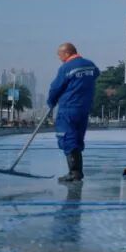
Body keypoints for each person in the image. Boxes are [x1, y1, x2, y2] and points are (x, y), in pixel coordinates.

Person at [46, 42, 100, 183]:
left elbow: (55, 87)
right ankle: (77, 171)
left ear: (67, 53)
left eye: (60, 55)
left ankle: (74, 172)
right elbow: (96, 74)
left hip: (68, 107)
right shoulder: (90, 65)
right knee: (77, 138)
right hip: (84, 108)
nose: (59, 58)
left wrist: (51, 102)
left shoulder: (66, 67)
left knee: (66, 138)